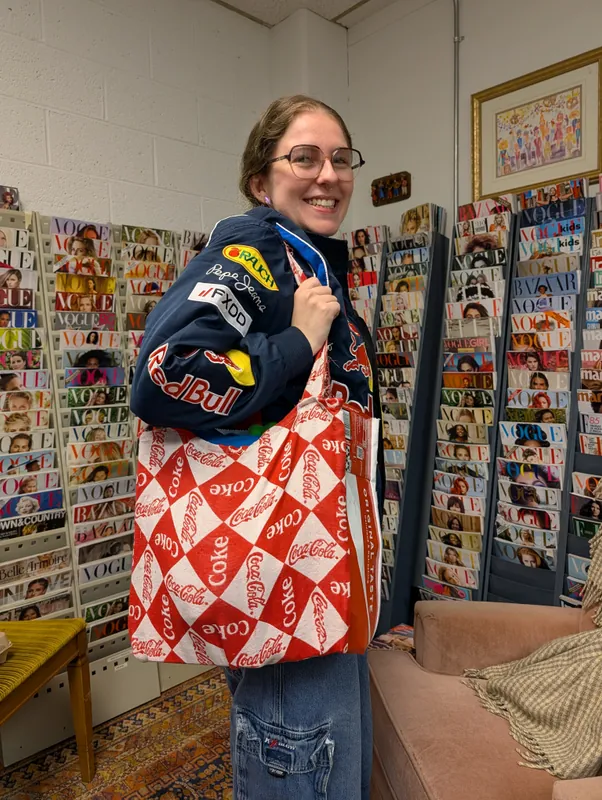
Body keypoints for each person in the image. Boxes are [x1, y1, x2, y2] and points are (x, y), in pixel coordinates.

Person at [130, 95, 380, 799]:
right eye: (304, 156)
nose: (327, 174)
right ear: (260, 180)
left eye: (340, 158)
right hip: (283, 575)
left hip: (311, 576)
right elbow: (163, 374)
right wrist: (299, 342)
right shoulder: (256, 251)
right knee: (303, 766)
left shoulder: (309, 262)